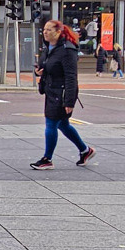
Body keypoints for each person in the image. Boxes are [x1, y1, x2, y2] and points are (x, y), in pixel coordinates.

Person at [29, 20, 96, 170]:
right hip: (51, 90)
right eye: (44, 29)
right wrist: (38, 72)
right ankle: (85, 150)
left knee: (51, 123)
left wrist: (69, 102)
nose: (45, 32)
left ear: (58, 32)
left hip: (62, 92)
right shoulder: (48, 48)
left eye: (48, 29)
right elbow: (44, 66)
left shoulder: (67, 50)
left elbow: (71, 77)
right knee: (63, 125)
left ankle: (47, 159)